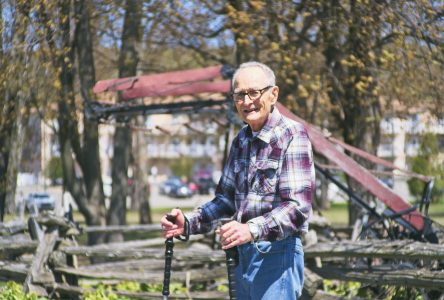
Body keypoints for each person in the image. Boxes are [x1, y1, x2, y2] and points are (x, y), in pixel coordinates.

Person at [161, 61, 315, 299]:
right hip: (242, 257)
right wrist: (188, 222)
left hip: (277, 256)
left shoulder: (292, 135)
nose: (246, 101)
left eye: (254, 92)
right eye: (239, 95)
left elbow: (297, 209)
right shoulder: (241, 140)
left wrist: (251, 229)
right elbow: (226, 202)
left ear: (273, 94)